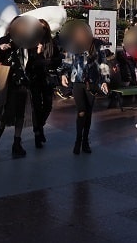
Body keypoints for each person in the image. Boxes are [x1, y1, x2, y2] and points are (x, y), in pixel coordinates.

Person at [60, 24, 109, 155]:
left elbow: (103, 63)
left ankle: (85, 141)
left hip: (92, 82)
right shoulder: (73, 45)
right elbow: (68, 62)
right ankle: (78, 140)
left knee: (88, 112)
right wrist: (64, 75)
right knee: (81, 111)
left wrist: (104, 80)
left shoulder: (97, 45)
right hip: (77, 82)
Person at [0, 19, 33, 158]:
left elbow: (31, 59)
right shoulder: (5, 40)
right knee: (9, 110)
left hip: (23, 81)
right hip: (8, 80)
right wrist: (1, 49)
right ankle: (1, 129)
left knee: (20, 112)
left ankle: (17, 142)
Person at [28, 19, 59, 149]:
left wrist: (46, 61)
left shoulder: (51, 44)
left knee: (47, 105)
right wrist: (38, 54)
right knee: (36, 107)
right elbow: (29, 64)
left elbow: (57, 60)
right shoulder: (30, 43)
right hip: (34, 79)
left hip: (47, 79)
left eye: (44, 29)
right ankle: (37, 134)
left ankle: (39, 126)